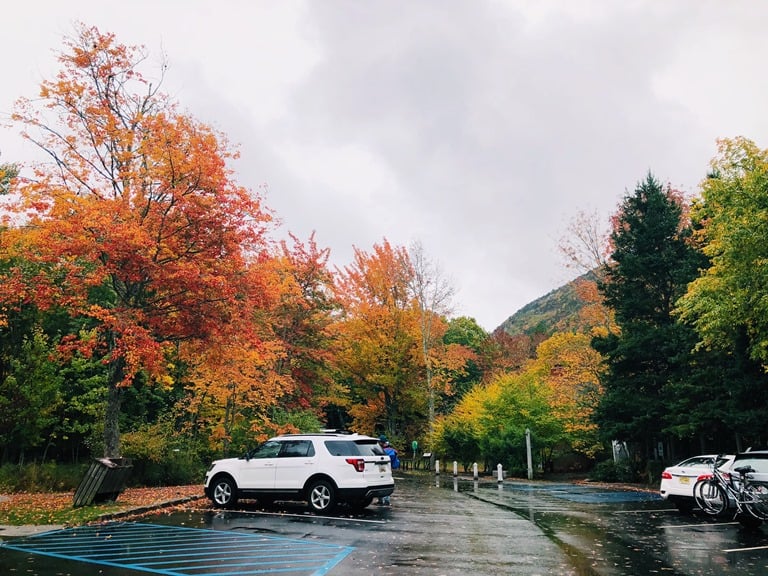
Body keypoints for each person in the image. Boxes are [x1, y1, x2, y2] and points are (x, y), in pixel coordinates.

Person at [377, 435, 399, 505]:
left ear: (381, 442)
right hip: (389, 469)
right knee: (386, 484)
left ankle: (382, 500)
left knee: (380, 484)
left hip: (380, 469)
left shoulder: (381, 450)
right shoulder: (392, 451)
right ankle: (385, 500)